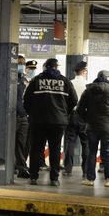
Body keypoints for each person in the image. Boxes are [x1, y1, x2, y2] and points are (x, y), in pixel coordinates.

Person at [24, 58, 78, 186]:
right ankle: (54, 179)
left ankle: (33, 177)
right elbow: (74, 101)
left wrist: (32, 114)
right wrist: (65, 114)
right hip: (58, 122)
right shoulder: (65, 81)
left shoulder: (36, 80)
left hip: (38, 121)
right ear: (56, 67)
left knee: (36, 149)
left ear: (45, 67)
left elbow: (26, 100)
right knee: (55, 149)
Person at [77, 70, 109, 187]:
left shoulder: (88, 91)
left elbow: (79, 110)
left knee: (91, 153)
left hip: (91, 127)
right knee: (108, 153)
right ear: (107, 78)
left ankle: (89, 179)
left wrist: (87, 120)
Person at [63, 61, 89, 178]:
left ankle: (68, 169)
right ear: (84, 72)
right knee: (86, 144)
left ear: (74, 72)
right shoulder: (88, 85)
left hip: (72, 116)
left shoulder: (69, 84)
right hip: (84, 117)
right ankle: (86, 170)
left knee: (70, 144)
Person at [15, 55, 30, 178]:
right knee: (13, 144)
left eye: (23, 63)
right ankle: (20, 167)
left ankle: (21, 167)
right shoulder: (10, 79)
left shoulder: (25, 80)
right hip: (13, 116)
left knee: (22, 144)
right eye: (19, 63)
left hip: (23, 116)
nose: (21, 65)